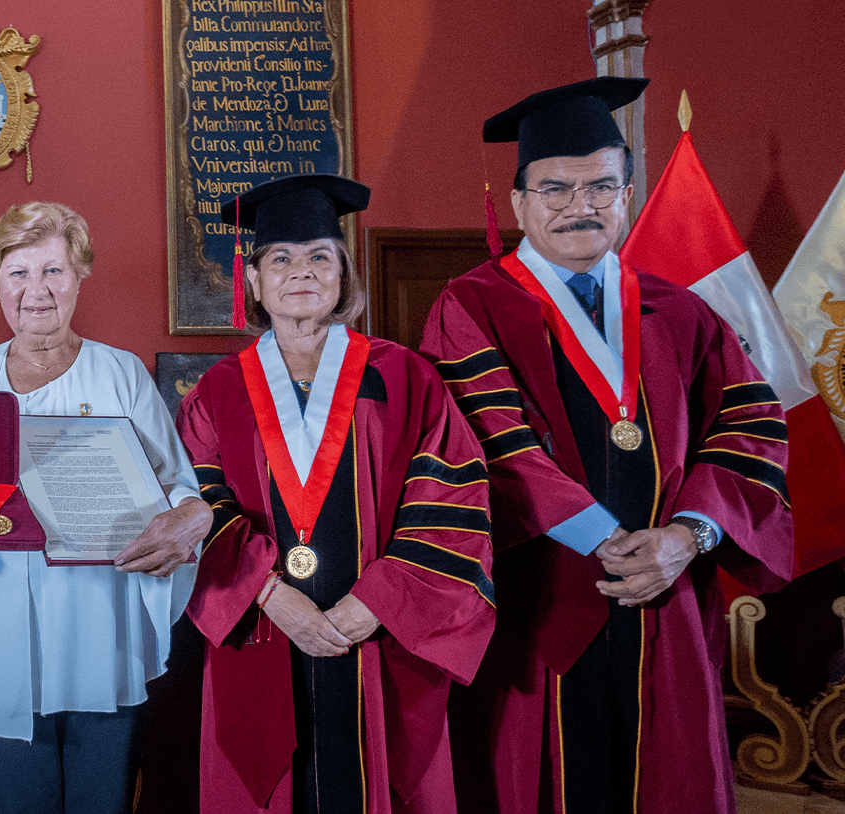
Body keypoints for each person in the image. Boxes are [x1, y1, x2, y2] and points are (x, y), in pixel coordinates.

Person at [419, 78, 793, 814]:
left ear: (628, 195)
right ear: (519, 202)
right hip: (542, 593)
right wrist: (610, 541)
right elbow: (484, 439)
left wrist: (685, 538)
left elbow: (749, 429)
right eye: (555, 188)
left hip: (668, 591)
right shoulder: (472, 305)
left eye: (601, 187)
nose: (579, 205)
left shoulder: (681, 311)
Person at [178, 175, 495, 814]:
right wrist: (270, 594)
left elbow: (450, 502)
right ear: (255, 280)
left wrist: (378, 601)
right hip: (263, 630)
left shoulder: (406, 377)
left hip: (377, 637)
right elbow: (195, 504)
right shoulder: (217, 391)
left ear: (343, 275)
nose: (302, 272)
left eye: (320, 256)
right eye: (281, 259)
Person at [0, 201, 213, 814]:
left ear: (80, 277)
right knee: (14, 797)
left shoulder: (120, 374)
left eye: (54, 271)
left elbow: (178, 486)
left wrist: (188, 517)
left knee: (101, 795)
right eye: (18, 273)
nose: (36, 291)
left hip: (99, 619)